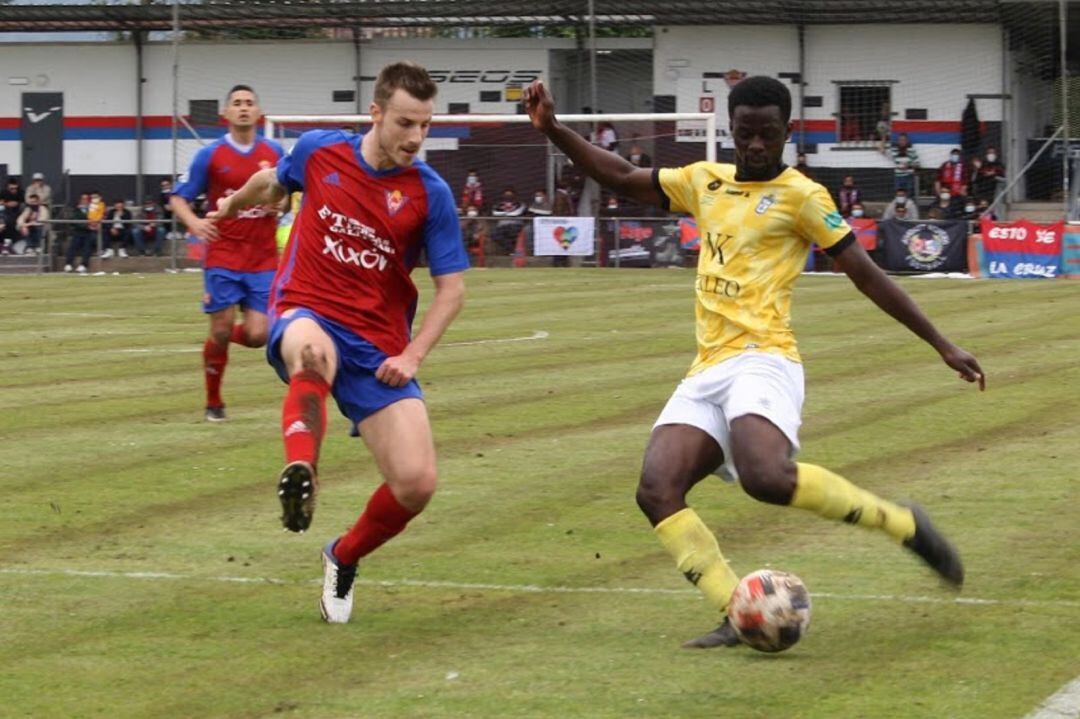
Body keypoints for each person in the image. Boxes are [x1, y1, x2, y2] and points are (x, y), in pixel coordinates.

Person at [524, 75, 984, 649]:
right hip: (707, 368)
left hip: (765, 359)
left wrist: (941, 343)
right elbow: (618, 174)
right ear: (732, 131)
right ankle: (734, 610)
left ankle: (904, 524)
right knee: (656, 489)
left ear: (787, 132)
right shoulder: (702, 180)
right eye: (746, 133)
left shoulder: (803, 197)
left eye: (769, 133)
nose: (757, 144)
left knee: (765, 478)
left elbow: (866, 275)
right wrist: (554, 129)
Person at [209, 61, 469, 624]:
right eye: (405, 123)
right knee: (310, 353)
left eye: (424, 125)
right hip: (307, 307)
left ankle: (342, 556)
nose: (416, 137)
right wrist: (230, 205)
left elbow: (452, 290)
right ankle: (302, 471)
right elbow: (269, 183)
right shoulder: (319, 152)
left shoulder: (431, 193)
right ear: (375, 114)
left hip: (378, 345)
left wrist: (412, 354)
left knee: (417, 483)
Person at [171, 84, 284, 423]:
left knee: (258, 335)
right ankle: (214, 401)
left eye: (249, 102)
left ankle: (218, 339)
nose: (244, 108)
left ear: (259, 112)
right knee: (221, 329)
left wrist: (282, 202)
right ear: (226, 114)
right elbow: (179, 197)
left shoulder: (275, 151)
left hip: (263, 256)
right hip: (223, 254)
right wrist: (194, 223)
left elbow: (290, 192)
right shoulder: (211, 155)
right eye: (237, 103)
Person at [63, 193, 93, 273]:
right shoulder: (76, 210)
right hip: (79, 232)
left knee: (88, 246)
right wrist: (87, 226)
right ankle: (68, 264)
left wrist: (90, 227)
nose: (84, 201)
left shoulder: (93, 210)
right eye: (83, 199)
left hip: (89, 233)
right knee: (73, 245)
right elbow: (74, 221)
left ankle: (83, 265)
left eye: (86, 199)